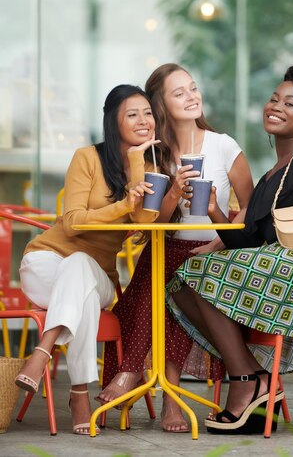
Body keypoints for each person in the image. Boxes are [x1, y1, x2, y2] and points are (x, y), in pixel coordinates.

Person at [166, 64, 293, 434]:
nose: (276, 106)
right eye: (274, 99)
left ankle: (245, 381)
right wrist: (214, 213)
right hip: (276, 263)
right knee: (182, 280)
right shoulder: (271, 175)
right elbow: (250, 240)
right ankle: (253, 376)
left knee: (203, 276)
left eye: (290, 103)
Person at [98, 63, 254, 432]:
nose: (192, 97)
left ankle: (131, 372)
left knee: (169, 279)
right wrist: (172, 191)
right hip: (167, 250)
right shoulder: (156, 153)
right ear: (162, 104)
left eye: (193, 88)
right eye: (179, 92)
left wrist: (222, 237)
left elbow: (249, 205)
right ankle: (170, 400)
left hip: (213, 254)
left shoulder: (223, 145)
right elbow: (153, 220)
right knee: (166, 278)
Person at [15, 84, 164, 436]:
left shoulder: (151, 167)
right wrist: (121, 206)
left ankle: (43, 350)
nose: (144, 120)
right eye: (132, 114)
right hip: (45, 263)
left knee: (81, 266)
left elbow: (144, 222)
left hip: (97, 276)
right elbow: (72, 221)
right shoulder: (87, 157)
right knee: (77, 274)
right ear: (113, 122)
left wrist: (136, 164)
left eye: (147, 113)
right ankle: (79, 391)